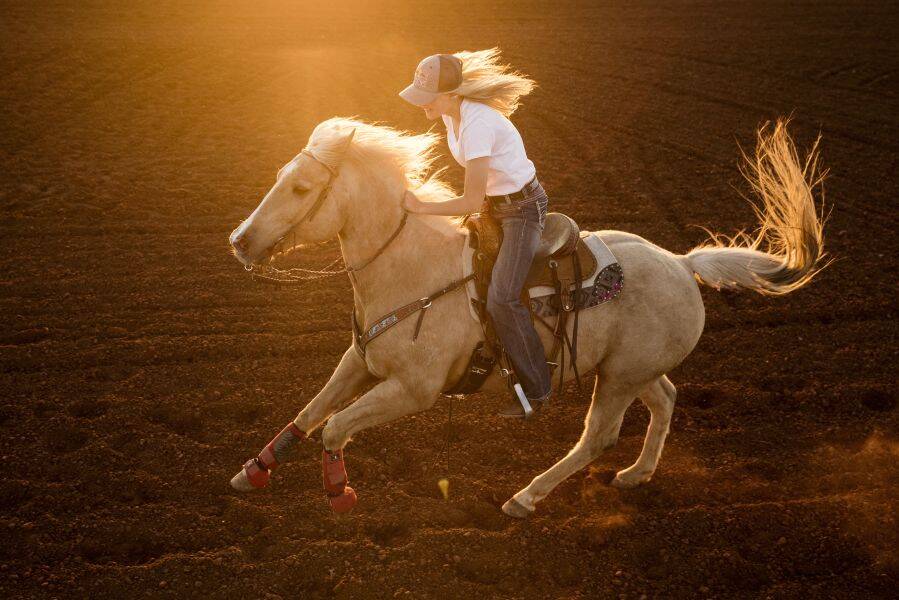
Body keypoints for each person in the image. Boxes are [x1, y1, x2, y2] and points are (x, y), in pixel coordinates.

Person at [398, 48, 552, 418]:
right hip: (496, 207)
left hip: (522, 211)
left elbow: (470, 199)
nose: (421, 105)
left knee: (502, 297)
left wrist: (421, 206)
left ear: (451, 94)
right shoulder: (452, 115)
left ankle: (537, 388)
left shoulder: (477, 124)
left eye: (427, 98)